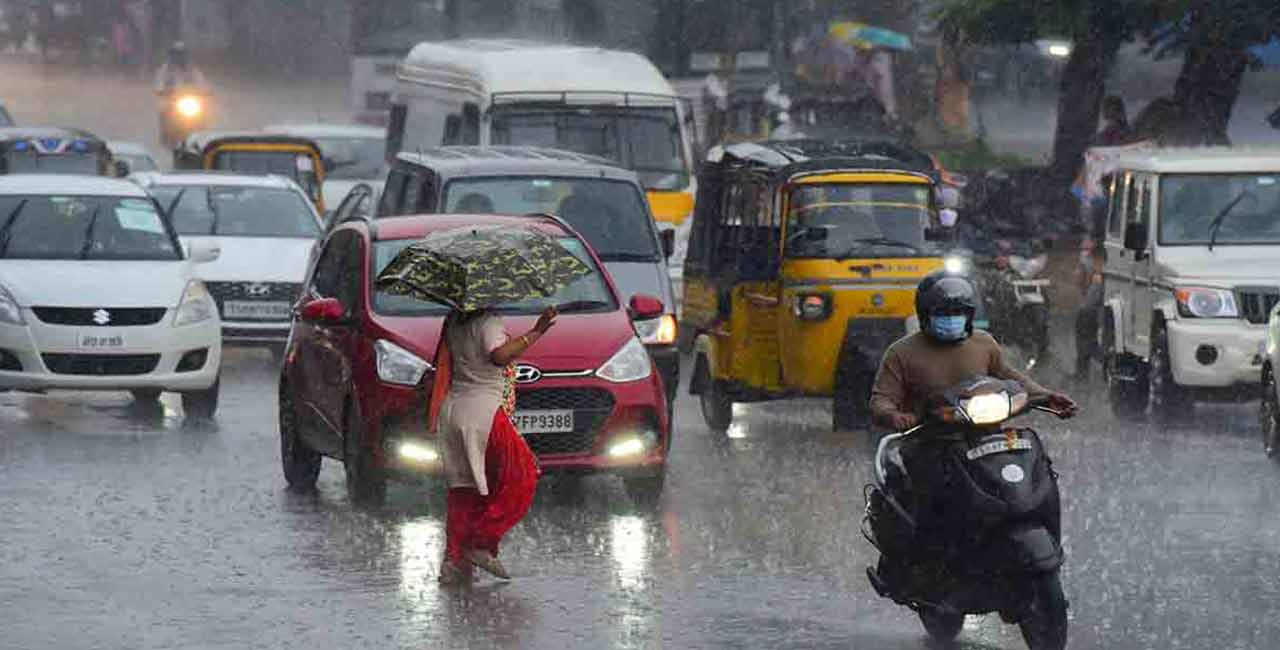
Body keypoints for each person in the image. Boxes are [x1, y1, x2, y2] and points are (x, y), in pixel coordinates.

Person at [429, 305, 557, 585]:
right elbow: (499, 356)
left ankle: (454, 563)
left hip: (454, 411)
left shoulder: (454, 320)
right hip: (484, 412)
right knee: (522, 475)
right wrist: (537, 331)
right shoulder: (488, 320)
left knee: (464, 490)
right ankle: (480, 542)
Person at [870, 271, 1077, 433]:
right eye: (943, 314)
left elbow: (1011, 377)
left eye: (958, 313)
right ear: (925, 315)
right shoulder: (901, 352)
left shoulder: (983, 343)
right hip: (929, 439)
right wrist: (891, 415)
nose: (951, 319)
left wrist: (1047, 397)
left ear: (969, 315)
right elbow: (882, 398)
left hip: (984, 435)